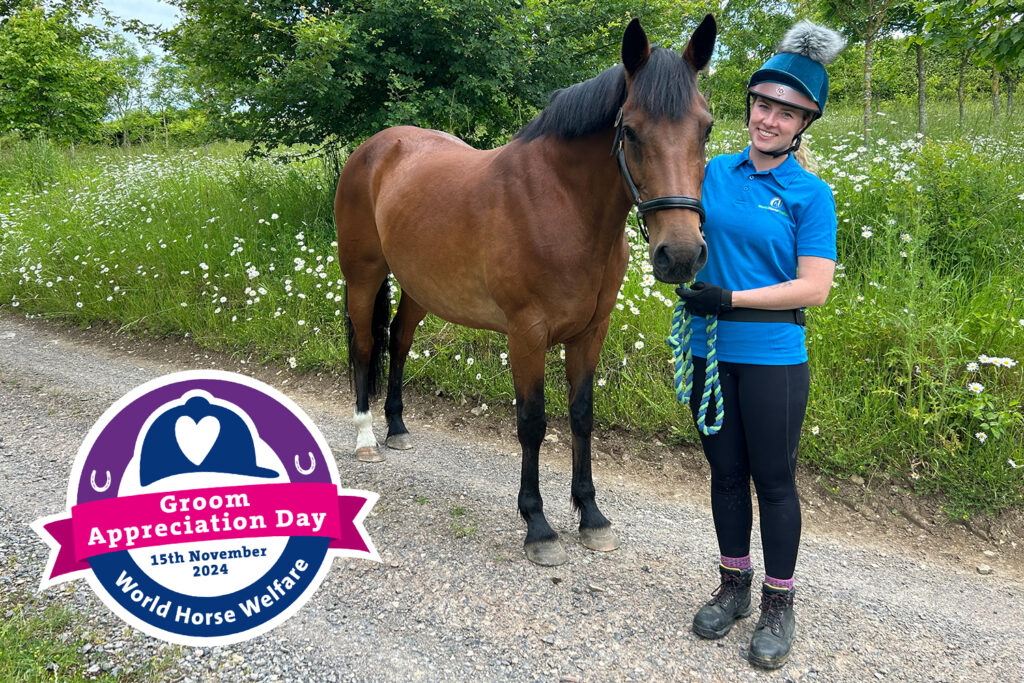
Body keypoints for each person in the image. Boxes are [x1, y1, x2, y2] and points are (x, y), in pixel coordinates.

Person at [676, 20, 846, 670]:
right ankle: (733, 585)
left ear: (804, 123)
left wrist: (733, 300)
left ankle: (779, 601)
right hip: (707, 349)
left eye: (785, 112)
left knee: (773, 483)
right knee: (723, 476)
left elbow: (815, 287)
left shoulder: (809, 193)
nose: (768, 119)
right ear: (748, 105)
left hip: (773, 355)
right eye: (761, 105)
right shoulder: (714, 171)